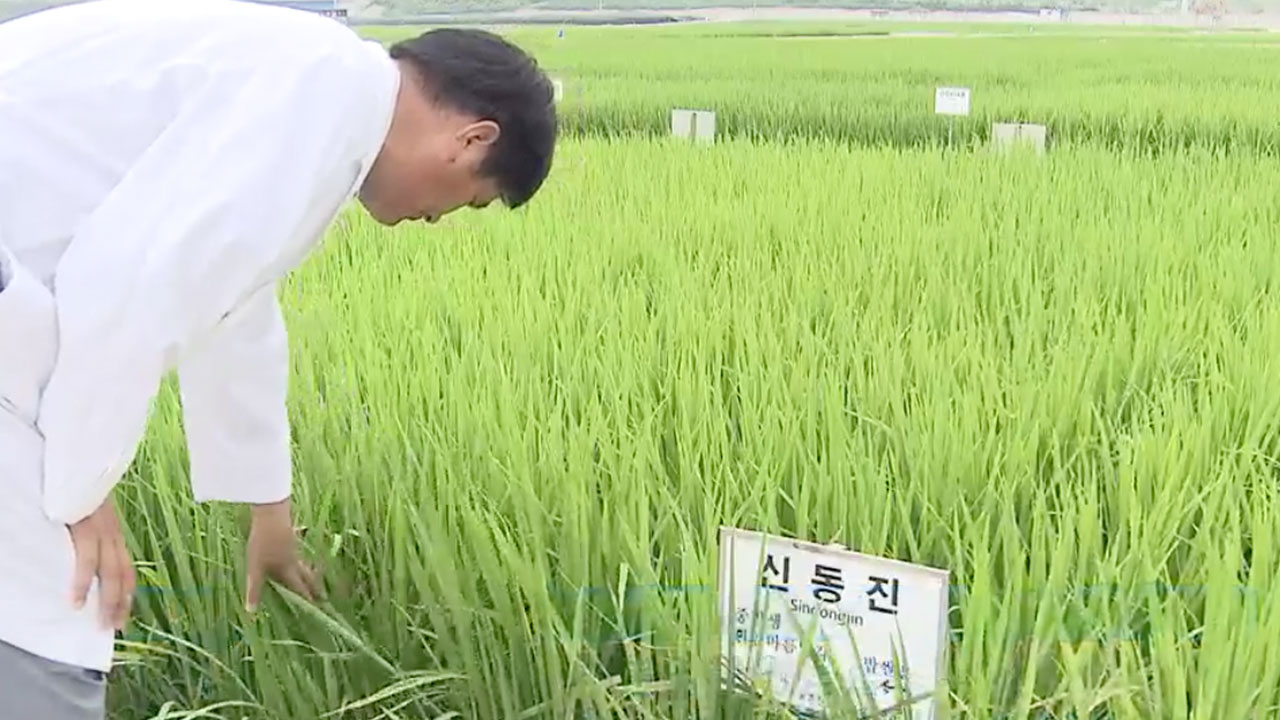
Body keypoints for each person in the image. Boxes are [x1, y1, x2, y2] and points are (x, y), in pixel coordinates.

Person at [0, 0, 557, 716]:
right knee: (56, 609)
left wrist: (268, 506)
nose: (437, 220)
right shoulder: (314, 101)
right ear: (471, 139)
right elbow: (126, 293)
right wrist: (81, 494)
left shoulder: (322, 94)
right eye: (471, 202)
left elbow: (233, 307)